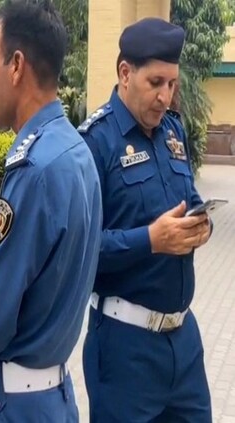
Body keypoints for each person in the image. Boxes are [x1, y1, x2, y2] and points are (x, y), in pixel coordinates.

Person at [0, 1, 103, 421]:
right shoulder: (77, 152)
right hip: (54, 398)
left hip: (12, 405)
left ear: (16, 66)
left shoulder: (35, 168)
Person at [78, 17, 213, 422]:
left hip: (183, 344)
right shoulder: (94, 143)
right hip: (125, 350)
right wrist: (151, 240)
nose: (165, 96)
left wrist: (201, 224)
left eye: (171, 84)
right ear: (125, 73)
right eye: (155, 83)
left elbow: (190, 199)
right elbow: (80, 251)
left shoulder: (173, 132)